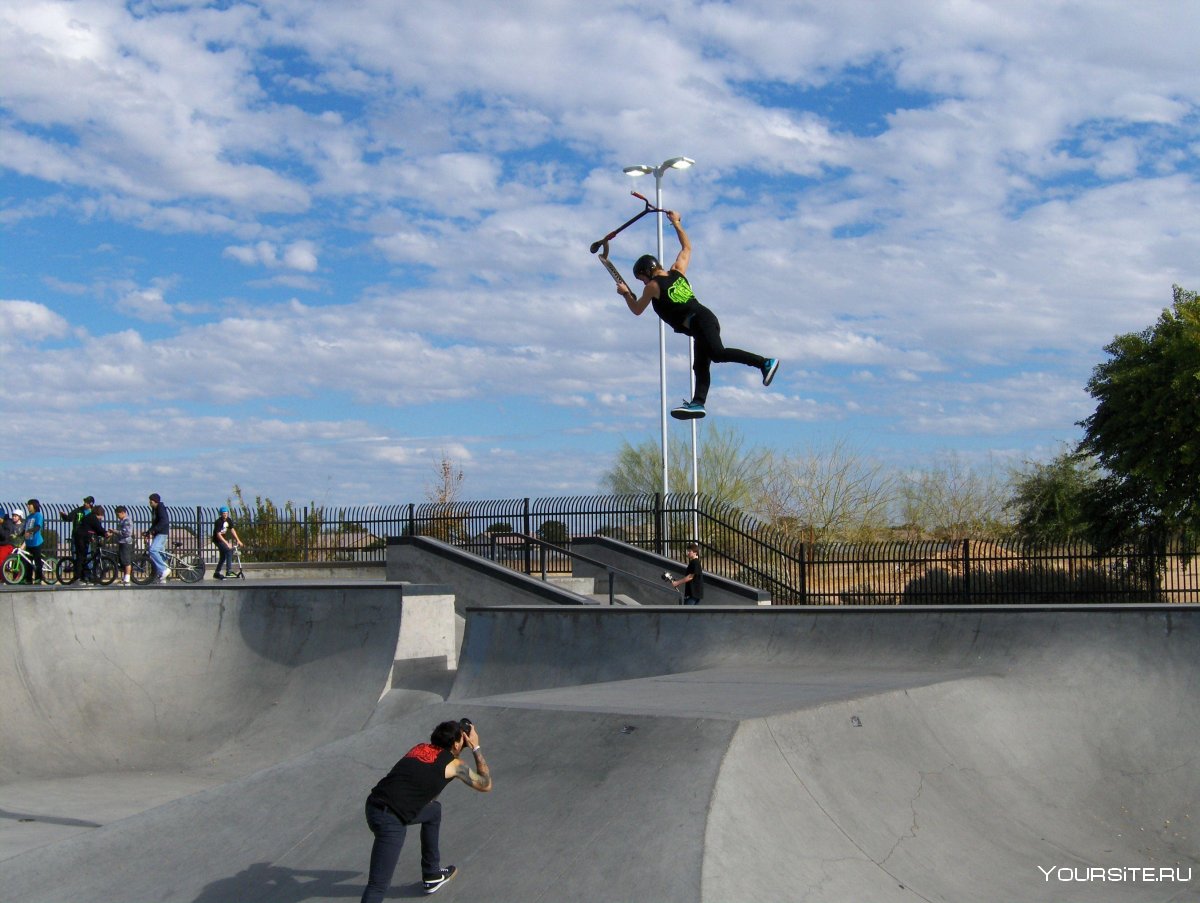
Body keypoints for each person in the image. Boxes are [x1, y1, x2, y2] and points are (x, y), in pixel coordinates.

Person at [615, 209, 779, 420]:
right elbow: (687, 247)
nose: (643, 283)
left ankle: (764, 362)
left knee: (717, 354)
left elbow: (637, 310)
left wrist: (626, 294)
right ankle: (697, 404)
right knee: (700, 365)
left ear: (647, 271)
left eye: (641, 278)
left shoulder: (653, 286)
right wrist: (676, 223)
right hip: (701, 321)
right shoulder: (677, 271)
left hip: (700, 320)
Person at [360, 719, 492, 901]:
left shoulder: (419, 748)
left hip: (373, 804)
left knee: (433, 811)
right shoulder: (455, 766)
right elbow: (485, 784)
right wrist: (476, 747)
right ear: (456, 743)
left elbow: (421, 782)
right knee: (377, 886)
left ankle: (432, 874)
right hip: (390, 819)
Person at [143, 493, 170, 583]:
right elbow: (155, 524)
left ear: (155, 501)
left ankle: (164, 569)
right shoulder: (154, 510)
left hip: (162, 533)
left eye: (151, 501)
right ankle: (163, 577)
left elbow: (164, 521)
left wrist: (154, 530)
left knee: (153, 550)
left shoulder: (160, 508)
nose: (149, 503)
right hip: (158, 533)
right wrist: (148, 532)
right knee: (160, 553)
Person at [211, 506, 242, 580]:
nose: (225, 515)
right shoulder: (218, 522)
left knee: (223, 557)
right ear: (221, 514)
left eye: (226, 513)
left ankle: (216, 573)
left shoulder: (228, 520)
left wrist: (238, 540)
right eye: (223, 513)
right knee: (229, 550)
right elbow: (218, 535)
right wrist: (227, 543)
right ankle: (229, 571)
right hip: (218, 540)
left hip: (223, 539)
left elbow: (232, 530)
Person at [671, 541, 705, 606]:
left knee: (687, 613)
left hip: (693, 593)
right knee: (691, 614)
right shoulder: (694, 562)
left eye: (690, 551)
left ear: (695, 552)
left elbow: (690, 577)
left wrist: (677, 582)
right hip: (695, 593)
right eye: (688, 551)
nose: (688, 553)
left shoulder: (695, 563)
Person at [23, 499, 45, 584]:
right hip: (29, 542)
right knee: (28, 561)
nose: (28, 506)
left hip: (36, 542)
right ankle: (28, 579)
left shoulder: (38, 515)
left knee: (37, 561)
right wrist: (18, 534)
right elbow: (25, 529)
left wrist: (30, 531)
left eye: (29, 505)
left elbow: (38, 527)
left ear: (34, 506)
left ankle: (38, 578)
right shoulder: (28, 517)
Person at [114, 506, 134, 586]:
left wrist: (115, 531)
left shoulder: (127, 521)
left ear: (123, 513)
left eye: (117, 514)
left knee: (126, 560)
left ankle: (127, 579)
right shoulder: (122, 521)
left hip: (126, 542)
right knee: (123, 560)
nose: (117, 516)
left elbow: (127, 533)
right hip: (122, 542)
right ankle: (125, 577)